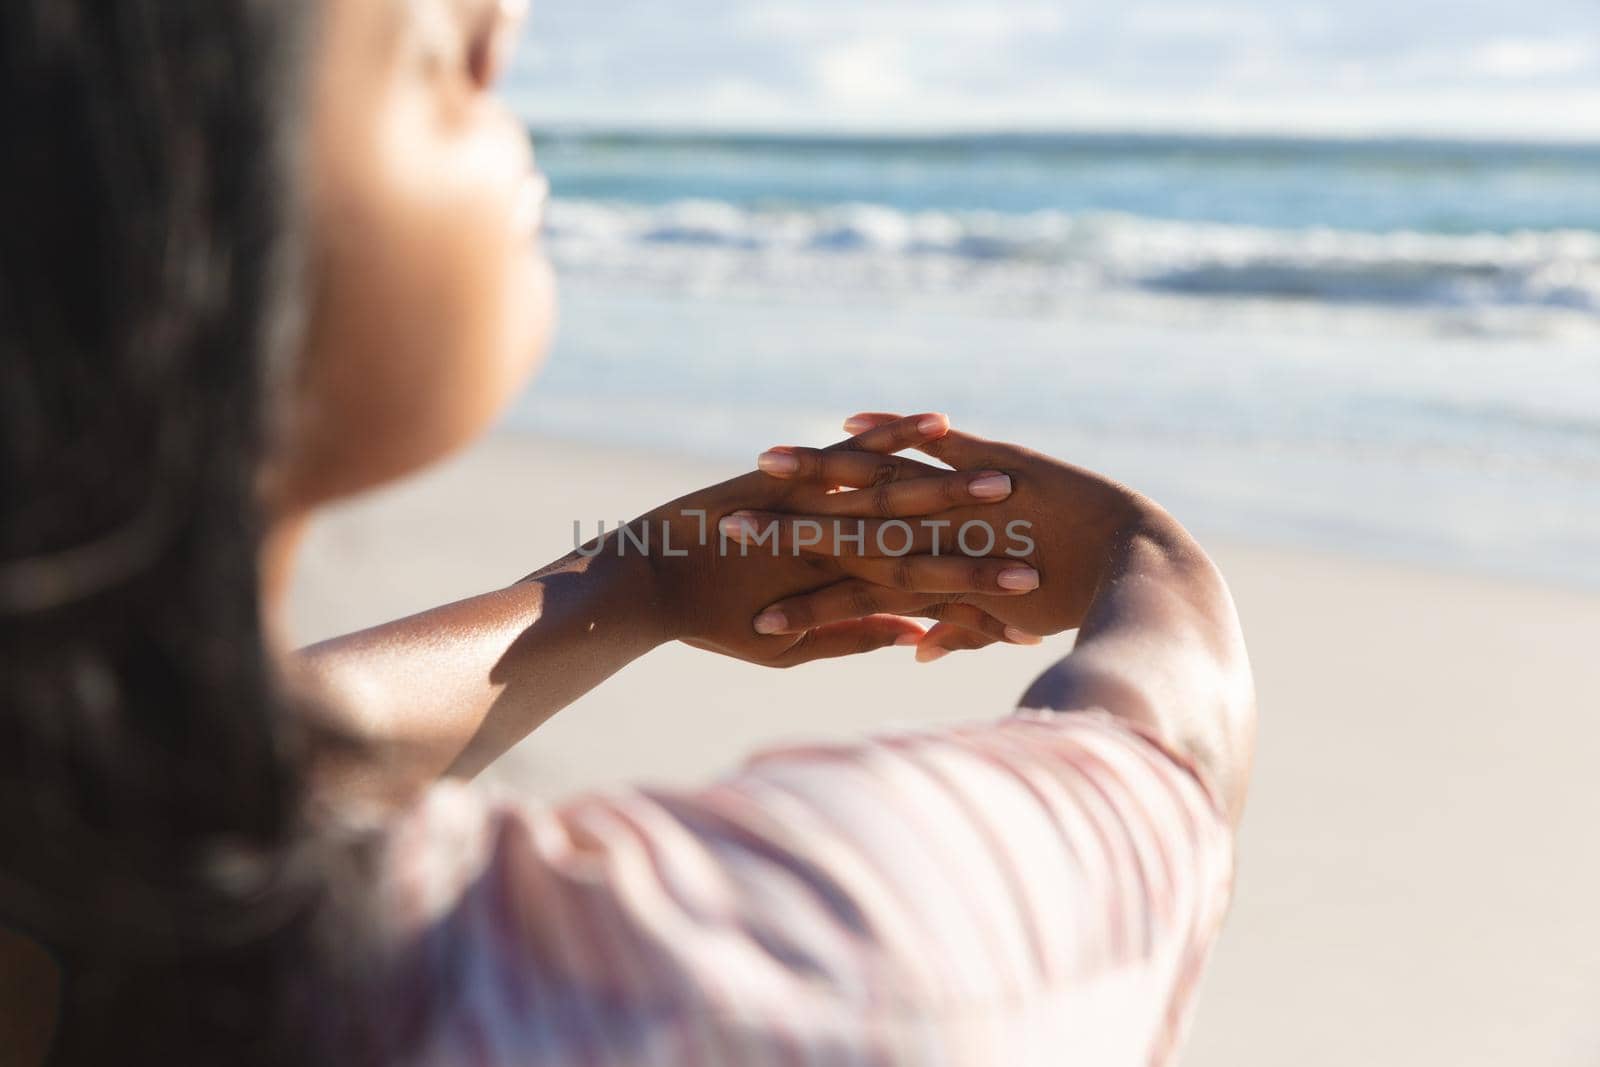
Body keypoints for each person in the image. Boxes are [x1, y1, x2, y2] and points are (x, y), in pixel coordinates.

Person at [0, 1, 1256, 1064]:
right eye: (432, 37)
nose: (503, 30)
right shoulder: (672, 975)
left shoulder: (69, 851)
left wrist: (632, 583)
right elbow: (1160, 780)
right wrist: (1141, 561)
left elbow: (166, 776)